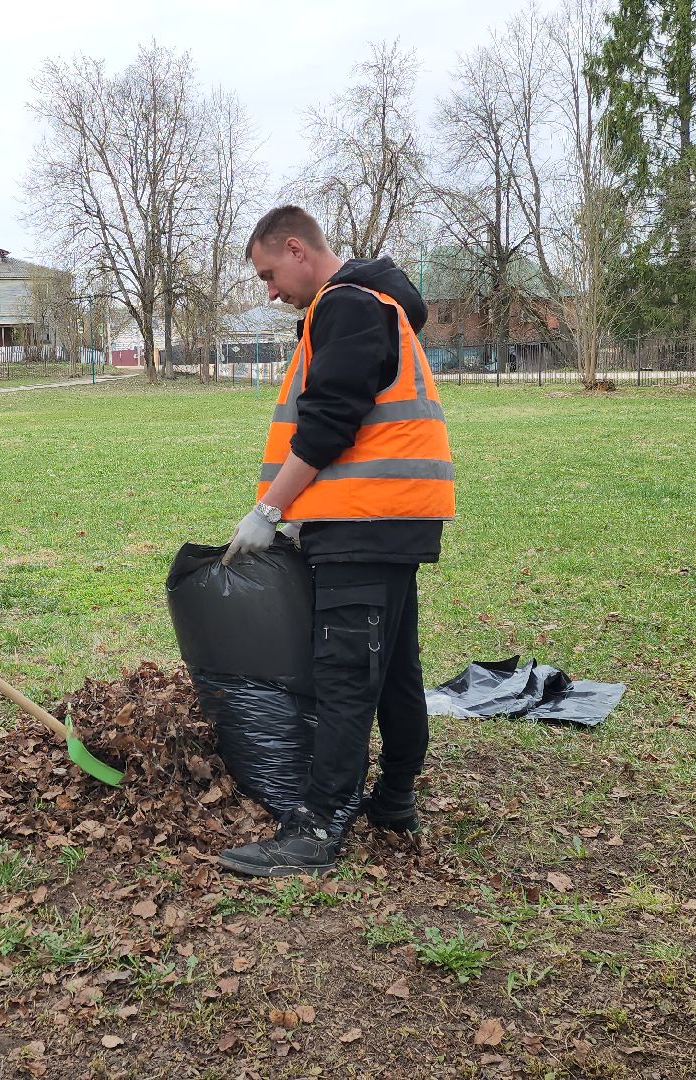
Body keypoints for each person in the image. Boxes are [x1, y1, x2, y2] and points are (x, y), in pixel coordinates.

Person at [217, 206, 456, 877]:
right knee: (393, 672)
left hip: (366, 521)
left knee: (347, 675)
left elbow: (330, 424)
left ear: (297, 248)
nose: (269, 290)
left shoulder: (344, 304)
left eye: (269, 273)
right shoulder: (375, 303)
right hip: (385, 519)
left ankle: (319, 828)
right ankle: (396, 798)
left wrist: (270, 507)